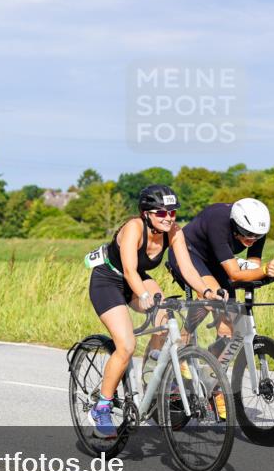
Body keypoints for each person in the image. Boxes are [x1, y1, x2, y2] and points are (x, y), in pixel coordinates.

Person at [87, 185, 222, 438]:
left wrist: (206, 292)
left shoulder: (174, 232)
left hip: (138, 279)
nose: (168, 217)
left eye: (172, 212)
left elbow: (188, 269)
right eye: (161, 212)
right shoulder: (134, 228)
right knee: (126, 345)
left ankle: (151, 377)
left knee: (167, 322)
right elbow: (129, 271)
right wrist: (143, 295)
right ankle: (102, 407)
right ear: (146, 213)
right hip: (109, 280)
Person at [166, 198, 274, 341]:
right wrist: (265, 270)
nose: (253, 239)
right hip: (189, 253)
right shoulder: (218, 221)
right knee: (214, 295)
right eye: (247, 233)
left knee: (228, 328)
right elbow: (235, 275)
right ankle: (183, 338)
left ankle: (215, 355)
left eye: (258, 236)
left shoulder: (257, 228)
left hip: (215, 259)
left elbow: (252, 269)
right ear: (235, 224)